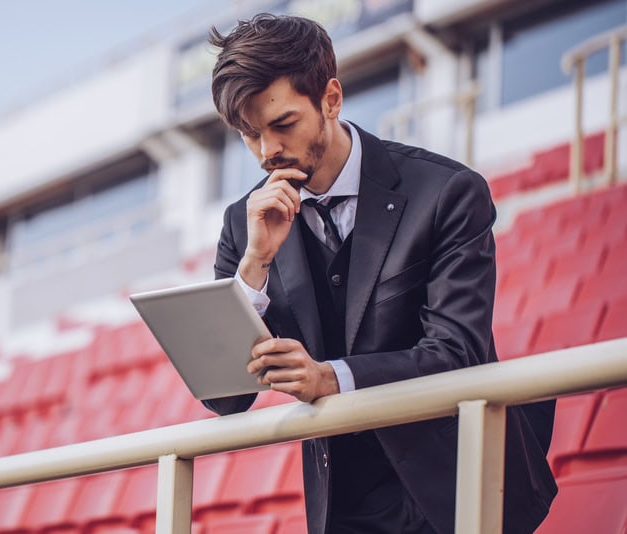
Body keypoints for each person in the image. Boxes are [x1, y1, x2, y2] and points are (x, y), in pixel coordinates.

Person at [204, 13, 557, 534]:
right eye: (249, 134)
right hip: (342, 505)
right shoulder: (244, 223)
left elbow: (456, 352)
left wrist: (329, 377)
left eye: (282, 125)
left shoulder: (447, 191)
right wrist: (254, 266)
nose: (266, 152)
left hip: (455, 483)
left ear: (330, 99)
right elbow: (224, 397)